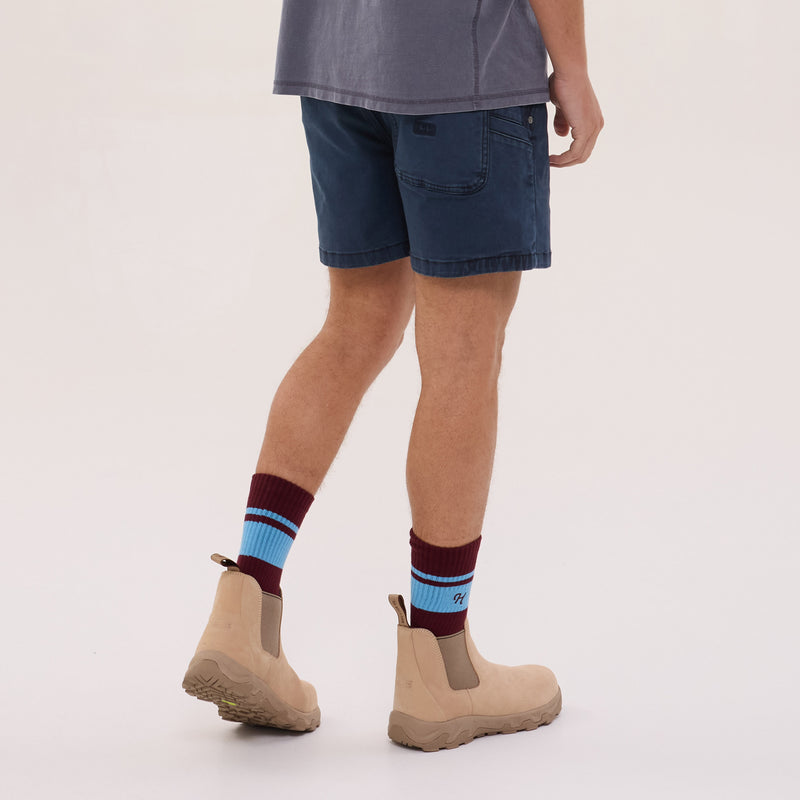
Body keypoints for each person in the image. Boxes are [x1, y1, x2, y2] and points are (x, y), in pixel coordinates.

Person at [182, 0, 603, 751]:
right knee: (463, 357)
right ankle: (444, 663)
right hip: (464, 71)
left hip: (335, 61)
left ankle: (246, 610)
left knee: (354, 328)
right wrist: (572, 68)